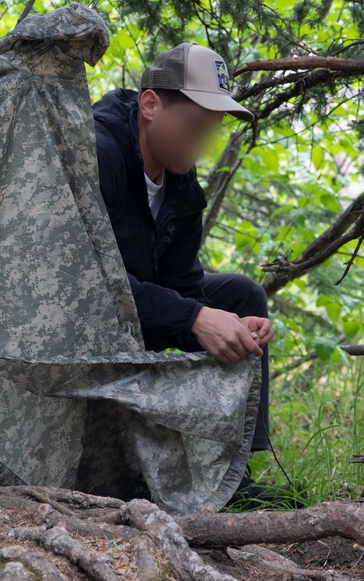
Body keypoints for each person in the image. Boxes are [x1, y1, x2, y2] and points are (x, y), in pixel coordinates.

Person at [93, 42, 279, 505]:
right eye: (194, 125)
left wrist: (227, 327)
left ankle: (232, 475)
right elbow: (86, 281)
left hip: (136, 317)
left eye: (211, 130)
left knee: (240, 297)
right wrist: (194, 318)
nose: (201, 143)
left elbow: (182, 289)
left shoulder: (182, 187)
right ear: (151, 104)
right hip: (76, 319)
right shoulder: (98, 151)